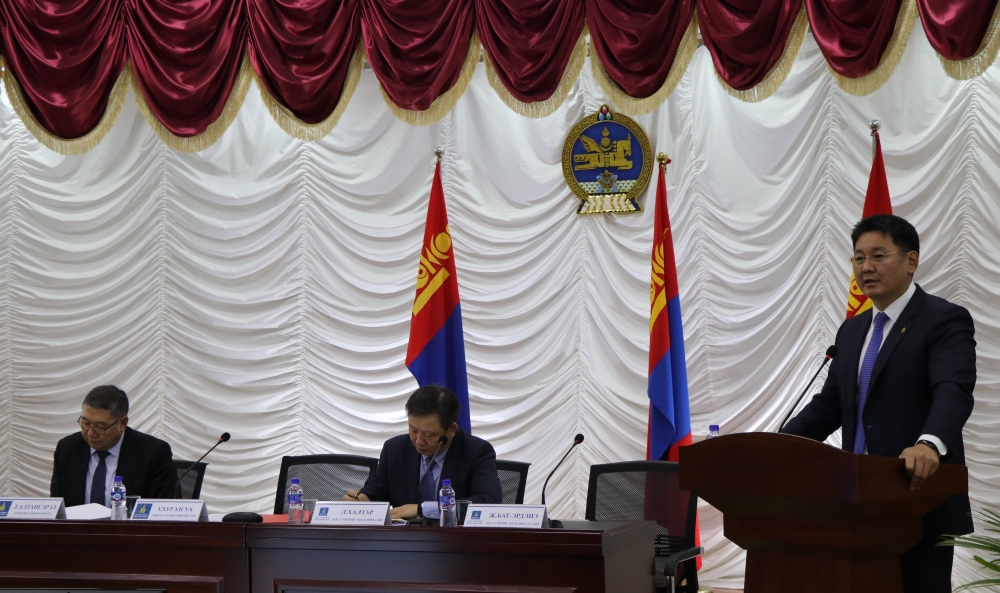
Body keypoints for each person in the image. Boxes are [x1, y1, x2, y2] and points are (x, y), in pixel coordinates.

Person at [781, 214, 975, 593]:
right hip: (856, 504)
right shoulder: (853, 330)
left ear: (911, 261)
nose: (866, 267)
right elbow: (829, 407)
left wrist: (929, 443)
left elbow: (953, 389)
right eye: (858, 258)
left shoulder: (943, 319)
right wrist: (776, 446)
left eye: (878, 255)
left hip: (916, 500)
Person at [345, 385, 503, 520]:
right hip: (405, 541)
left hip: (456, 541)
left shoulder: (476, 451)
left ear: (451, 429)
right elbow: (374, 494)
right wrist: (362, 502)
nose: (419, 441)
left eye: (429, 435)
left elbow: (489, 502)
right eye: (413, 430)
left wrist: (423, 509)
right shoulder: (394, 449)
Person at [51, 385, 179, 507]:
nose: (90, 433)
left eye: (100, 427)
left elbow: (162, 510)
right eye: (85, 423)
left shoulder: (153, 453)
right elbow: (57, 508)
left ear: (122, 423)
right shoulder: (67, 449)